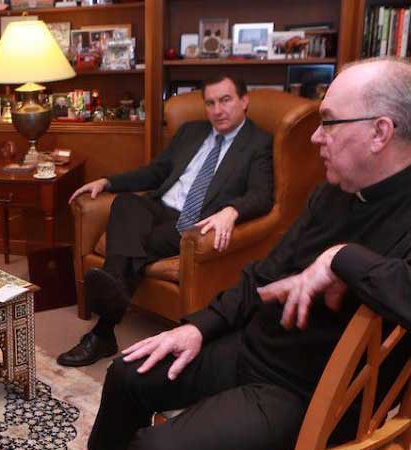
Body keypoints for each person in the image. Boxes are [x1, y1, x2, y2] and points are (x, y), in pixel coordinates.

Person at [0, 57, 411, 450]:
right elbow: (263, 274)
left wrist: (342, 259)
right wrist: (199, 329)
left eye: (328, 122)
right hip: (256, 349)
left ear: (381, 131)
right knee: (130, 370)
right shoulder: (335, 192)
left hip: (305, 395)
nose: (316, 138)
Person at [58, 75, 275, 367]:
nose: (217, 110)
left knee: (132, 242)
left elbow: (262, 196)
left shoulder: (258, 143)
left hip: (192, 224)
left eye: (225, 100)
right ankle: (113, 295)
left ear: (244, 101)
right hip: (159, 207)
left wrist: (231, 211)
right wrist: (108, 181)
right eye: (210, 103)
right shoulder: (191, 132)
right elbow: (155, 172)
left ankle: (103, 330)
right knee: (126, 203)